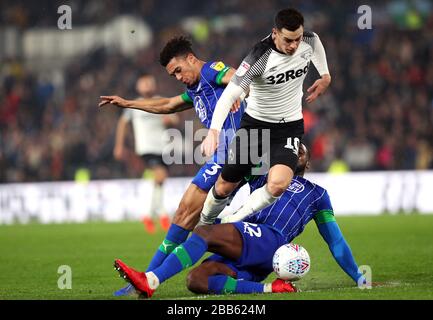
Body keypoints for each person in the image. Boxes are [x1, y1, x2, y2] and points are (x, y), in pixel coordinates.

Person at [114, 144, 366, 298]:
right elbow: (243, 162)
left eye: (302, 149)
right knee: (196, 281)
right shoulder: (266, 177)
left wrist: (359, 276)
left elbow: (336, 241)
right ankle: (271, 290)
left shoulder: (317, 194)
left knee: (204, 233)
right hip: (253, 251)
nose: (297, 148)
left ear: (307, 162)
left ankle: (151, 280)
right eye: (292, 146)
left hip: (271, 239)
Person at [99, 36, 246, 296]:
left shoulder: (211, 71)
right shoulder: (195, 89)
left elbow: (238, 76)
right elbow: (167, 104)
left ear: (190, 58)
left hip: (235, 150)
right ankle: (146, 281)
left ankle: (147, 281)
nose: (177, 77)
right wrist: (128, 103)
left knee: (190, 214)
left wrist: (237, 89)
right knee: (187, 215)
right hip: (226, 153)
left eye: (178, 70)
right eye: (172, 74)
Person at [199, 8, 332, 229]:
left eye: (297, 39)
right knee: (224, 187)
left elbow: (316, 42)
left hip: (289, 127)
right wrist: (213, 131)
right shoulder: (259, 56)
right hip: (256, 126)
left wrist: (325, 75)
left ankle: (232, 220)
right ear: (275, 33)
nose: (294, 45)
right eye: (288, 40)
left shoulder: (308, 40)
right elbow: (230, 94)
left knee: (278, 184)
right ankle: (203, 224)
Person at [113, 74, 178, 233]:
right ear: (138, 87)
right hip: (146, 148)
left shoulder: (161, 100)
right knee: (160, 175)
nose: (147, 85)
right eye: (144, 83)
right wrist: (119, 145)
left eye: (150, 82)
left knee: (160, 181)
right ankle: (160, 214)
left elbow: (175, 118)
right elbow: (122, 123)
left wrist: (169, 119)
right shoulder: (134, 104)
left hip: (162, 147)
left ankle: (151, 214)